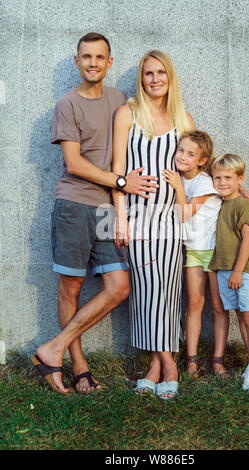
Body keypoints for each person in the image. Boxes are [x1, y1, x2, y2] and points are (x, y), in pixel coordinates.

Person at [31, 33, 158, 396]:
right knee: (70, 286)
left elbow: (169, 135)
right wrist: (121, 180)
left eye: (99, 57)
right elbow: (73, 163)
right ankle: (79, 367)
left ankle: (51, 349)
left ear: (109, 63)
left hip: (109, 209)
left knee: (119, 287)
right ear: (77, 61)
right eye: (86, 57)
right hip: (74, 205)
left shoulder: (121, 101)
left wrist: (221, 186)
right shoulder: (67, 104)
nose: (93, 63)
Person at [113, 50, 195, 399]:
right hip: (139, 218)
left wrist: (237, 189)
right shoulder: (127, 114)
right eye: (148, 73)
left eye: (161, 72)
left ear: (170, 77)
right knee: (148, 290)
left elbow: (198, 168)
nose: (155, 79)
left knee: (169, 291)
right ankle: (167, 362)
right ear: (141, 79)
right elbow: (117, 169)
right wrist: (120, 217)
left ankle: (156, 367)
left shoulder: (183, 118)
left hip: (172, 220)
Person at [162, 130, 231, 379]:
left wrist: (179, 188)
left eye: (191, 154)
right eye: (181, 150)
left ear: (202, 161)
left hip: (213, 252)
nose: (183, 156)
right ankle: (191, 360)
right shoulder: (178, 176)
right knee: (194, 304)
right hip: (193, 251)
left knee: (218, 306)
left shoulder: (204, 182)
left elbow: (184, 214)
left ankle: (218, 360)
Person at [208, 153, 249, 391]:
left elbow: (247, 240)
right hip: (224, 270)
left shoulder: (243, 204)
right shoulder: (220, 203)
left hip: (243, 272)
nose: (222, 182)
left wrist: (238, 272)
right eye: (217, 177)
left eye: (228, 177)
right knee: (241, 317)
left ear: (240, 178)